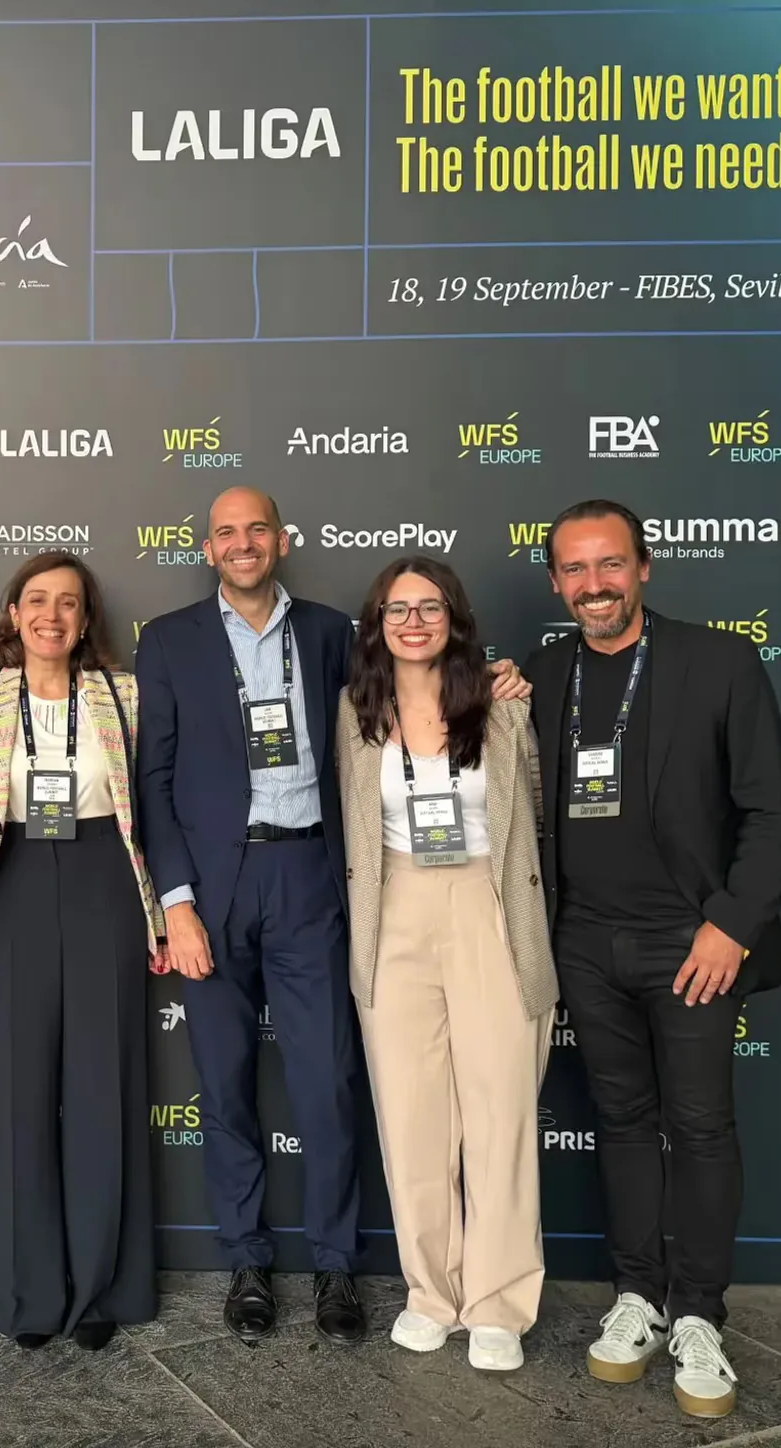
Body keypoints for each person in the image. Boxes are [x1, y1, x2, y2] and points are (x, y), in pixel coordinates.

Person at [137, 486, 533, 1343]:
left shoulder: (329, 635)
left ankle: (335, 1267)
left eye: (256, 530)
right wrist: (175, 905)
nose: (242, 544)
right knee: (226, 1090)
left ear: (281, 540)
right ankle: (246, 1259)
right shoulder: (168, 643)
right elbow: (153, 785)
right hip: (210, 891)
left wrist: (500, 680)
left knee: (328, 1088)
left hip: (314, 879)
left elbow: (413, 704)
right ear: (208, 548)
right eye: (225, 533)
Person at [522, 499, 781, 1420]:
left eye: (609, 565)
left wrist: (733, 924)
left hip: (694, 946)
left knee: (703, 1127)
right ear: (555, 580)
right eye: (574, 570)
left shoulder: (719, 661)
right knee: (623, 1122)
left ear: (644, 567)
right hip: (583, 946)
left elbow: (768, 811)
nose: (593, 585)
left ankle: (701, 1314)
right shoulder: (542, 673)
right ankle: (638, 1297)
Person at [0, 553, 167, 1353]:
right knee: (24, 1094)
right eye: (37, 600)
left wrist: (160, 917)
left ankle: (102, 1285)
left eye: (69, 603)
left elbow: (152, 811)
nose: (52, 615)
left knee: (104, 1091)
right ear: (13, 611)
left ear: (86, 616)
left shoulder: (123, 694)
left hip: (105, 883)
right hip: (11, 885)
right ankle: (32, 1286)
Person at [334, 557, 557, 1374]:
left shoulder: (501, 707)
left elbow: (538, 814)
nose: (414, 621)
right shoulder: (355, 711)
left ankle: (498, 1301)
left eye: (430, 607)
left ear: (455, 618)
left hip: (488, 909)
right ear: (378, 622)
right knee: (410, 1115)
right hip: (392, 917)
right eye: (398, 608)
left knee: (500, 1112)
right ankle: (433, 1292)